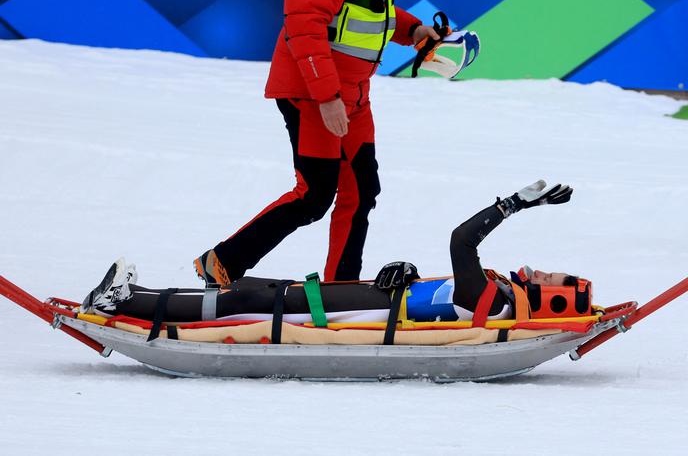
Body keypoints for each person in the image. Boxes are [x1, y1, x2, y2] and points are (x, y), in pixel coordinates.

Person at [83, 180, 588, 325]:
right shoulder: (495, 295)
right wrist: (408, 273)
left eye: (554, 279)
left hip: (357, 311)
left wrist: (512, 205)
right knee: (246, 293)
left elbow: (462, 242)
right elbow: (440, 295)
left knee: (242, 300)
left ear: (552, 301)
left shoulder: (497, 304)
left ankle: (122, 304)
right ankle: (134, 296)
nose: (546, 271)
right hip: (368, 298)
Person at [193, 0, 443, 286]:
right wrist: (327, 97)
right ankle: (222, 262)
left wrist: (413, 30)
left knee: (361, 191)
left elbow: (370, 13)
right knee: (313, 196)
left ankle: (341, 286)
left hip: (353, 95)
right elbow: (304, 28)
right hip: (312, 95)